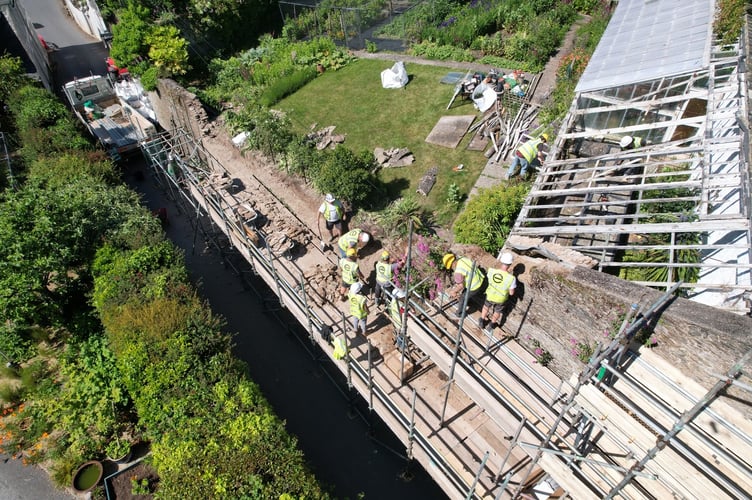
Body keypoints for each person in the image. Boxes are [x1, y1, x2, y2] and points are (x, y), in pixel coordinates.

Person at [478, 252, 517, 331]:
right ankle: (491, 325)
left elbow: (489, 280)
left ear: (501, 261)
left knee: (486, 307)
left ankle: (482, 321)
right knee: (497, 311)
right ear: (510, 264)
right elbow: (511, 293)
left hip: (490, 295)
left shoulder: (492, 271)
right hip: (501, 299)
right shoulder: (511, 278)